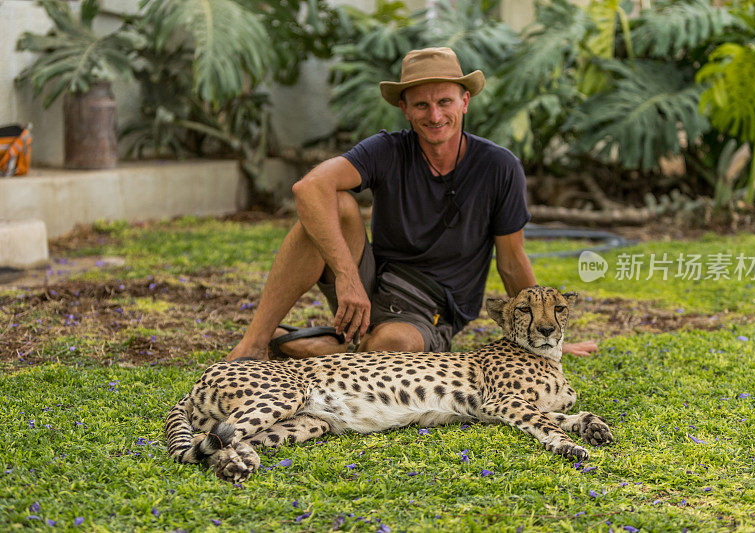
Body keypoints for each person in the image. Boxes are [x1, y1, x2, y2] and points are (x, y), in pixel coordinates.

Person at [227, 47, 597, 361]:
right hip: (372, 284)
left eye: (444, 102)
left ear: (465, 101)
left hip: (433, 309)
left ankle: (333, 348)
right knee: (333, 203)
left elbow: (513, 261)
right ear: (404, 108)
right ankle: (254, 343)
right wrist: (347, 276)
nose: (434, 116)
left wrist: (546, 337)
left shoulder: (499, 167)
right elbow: (308, 188)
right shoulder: (388, 148)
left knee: (395, 343)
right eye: (421, 104)